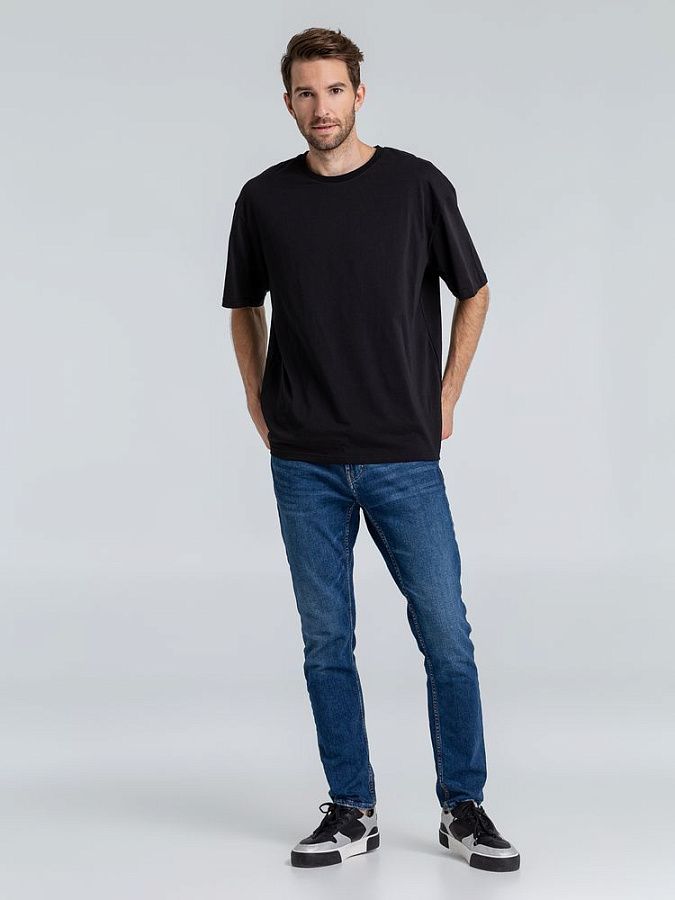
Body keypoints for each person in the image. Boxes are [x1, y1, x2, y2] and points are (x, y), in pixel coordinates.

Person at [221, 26, 520, 873]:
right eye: (305, 92)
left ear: (359, 94)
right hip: (303, 460)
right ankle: (351, 808)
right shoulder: (263, 198)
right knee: (326, 642)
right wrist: (256, 399)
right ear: (288, 102)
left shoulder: (415, 185)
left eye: (334, 90)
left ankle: (462, 807)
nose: (320, 107)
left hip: (400, 453)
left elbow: (473, 291)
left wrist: (446, 395)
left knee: (445, 634)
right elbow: (243, 306)